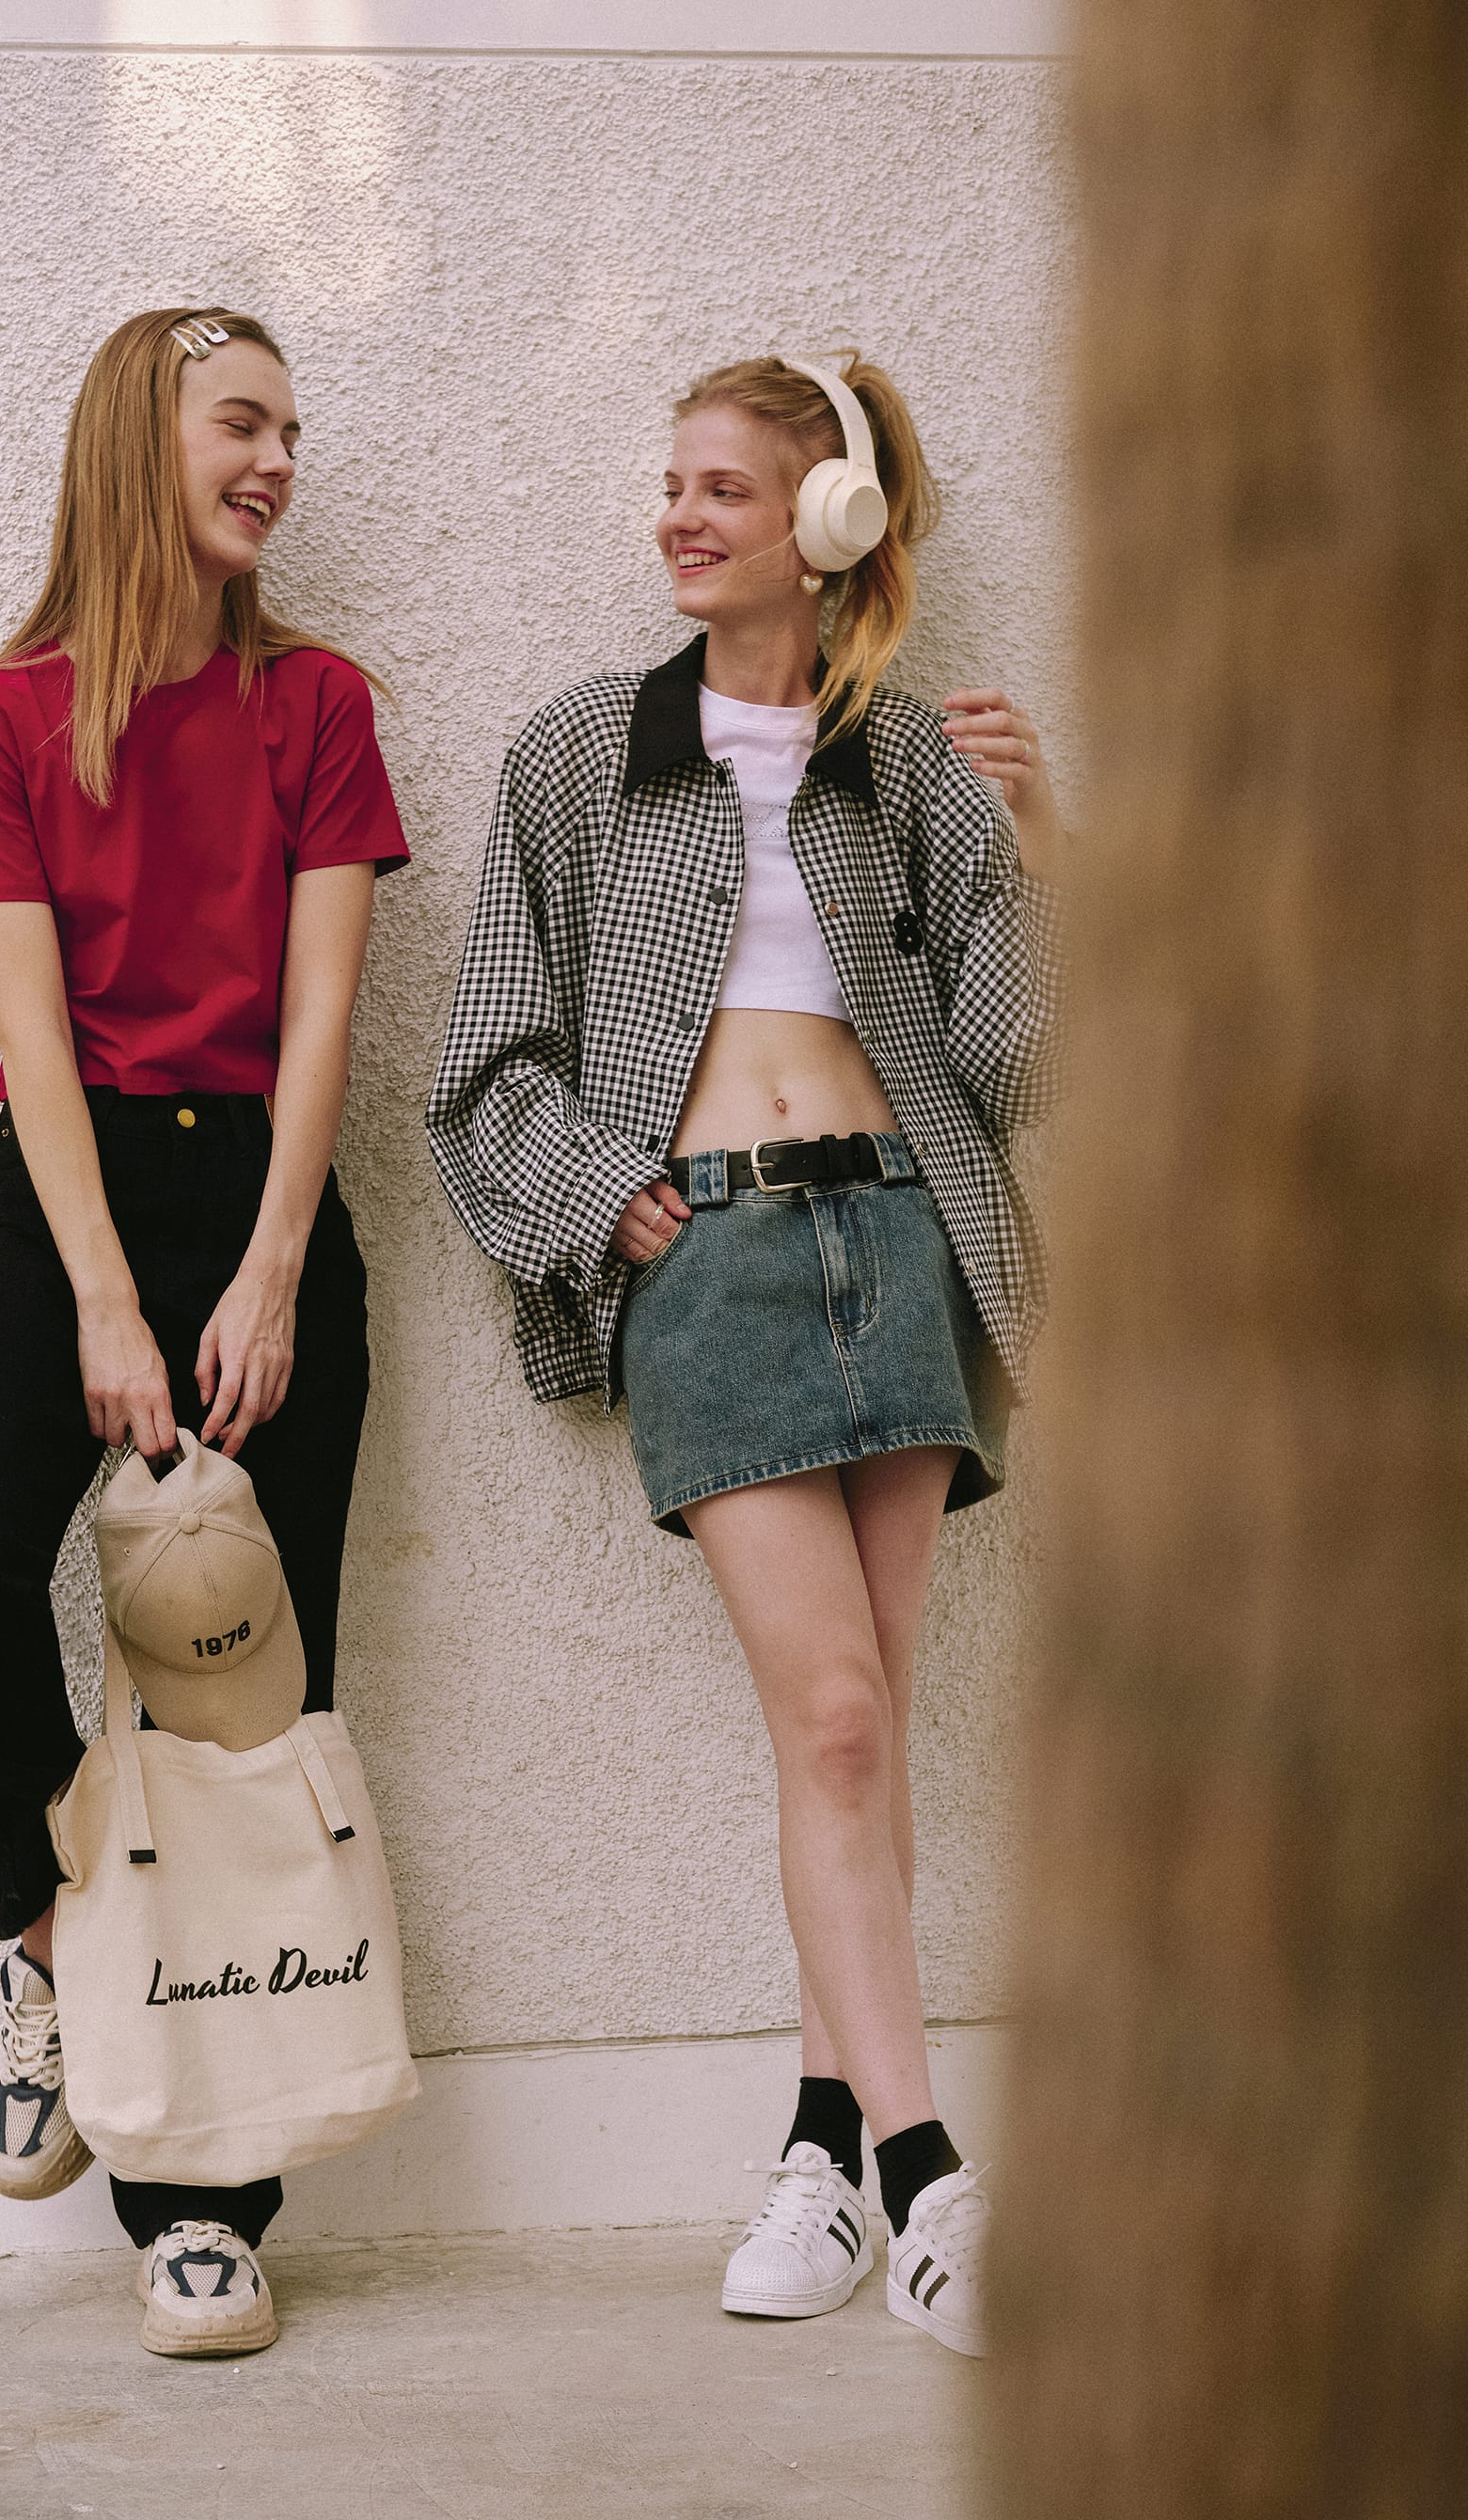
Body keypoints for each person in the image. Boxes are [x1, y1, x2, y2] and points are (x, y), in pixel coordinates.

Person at [427, 350, 1064, 2358]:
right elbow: (482, 1063)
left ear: (827, 522)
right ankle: (930, 2175)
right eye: (674, 483)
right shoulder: (581, 754)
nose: (679, 517)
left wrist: (1034, 845)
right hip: (712, 1258)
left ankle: (815, 2152)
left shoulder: (917, 763)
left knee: (847, 1734)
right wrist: (599, 1195)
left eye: (723, 487)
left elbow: (1016, 1066)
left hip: (905, 1237)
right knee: (841, 1723)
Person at [0, 307, 407, 2359]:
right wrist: (103, 1292)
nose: (277, 462)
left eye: (291, 431)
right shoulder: (1, 718)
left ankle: (205, 2211)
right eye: (240, 423)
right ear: (139, 443)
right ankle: (53, 1945)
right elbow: (28, 1037)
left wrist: (267, 1270)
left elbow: (325, 1011)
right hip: (66, 1190)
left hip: (263, 1193)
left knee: (236, 1708)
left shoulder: (318, 704)